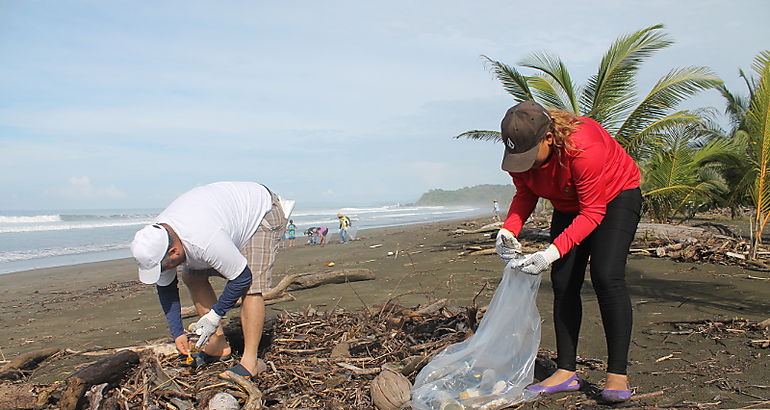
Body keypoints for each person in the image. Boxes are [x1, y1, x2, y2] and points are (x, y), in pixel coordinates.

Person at [494, 101, 641, 403]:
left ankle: (617, 375)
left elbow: (593, 212)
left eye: (529, 155)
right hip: (568, 204)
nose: (525, 163)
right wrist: (508, 230)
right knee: (563, 282)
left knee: (606, 275)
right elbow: (525, 193)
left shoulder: (582, 147)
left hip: (614, 197)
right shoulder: (521, 156)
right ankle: (566, 372)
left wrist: (549, 253)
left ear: (548, 137)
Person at [130, 181, 289, 379]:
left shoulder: (204, 240)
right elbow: (166, 288)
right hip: (222, 219)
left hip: (261, 212)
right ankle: (218, 346)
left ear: (174, 251)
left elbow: (242, 277)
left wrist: (215, 316)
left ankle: (250, 362)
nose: (165, 271)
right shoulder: (157, 240)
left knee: (251, 287)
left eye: (165, 266)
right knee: (191, 276)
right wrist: (178, 332)